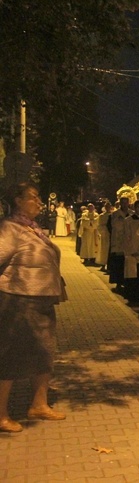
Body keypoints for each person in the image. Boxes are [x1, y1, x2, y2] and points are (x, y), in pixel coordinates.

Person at [0, 183, 66, 433]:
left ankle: (39, 404)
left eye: (39, 197)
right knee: (10, 355)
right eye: (33, 198)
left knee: (44, 353)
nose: (38, 202)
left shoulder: (33, 229)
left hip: (42, 299)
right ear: (17, 201)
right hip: (17, 299)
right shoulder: (10, 228)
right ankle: (1, 414)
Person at [108, 196, 131, 291]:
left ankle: (127, 282)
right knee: (118, 264)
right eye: (123, 202)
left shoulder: (132, 214)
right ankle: (118, 282)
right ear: (120, 203)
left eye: (126, 202)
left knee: (128, 264)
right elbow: (110, 226)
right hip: (118, 242)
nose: (124, 204)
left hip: (129, 242)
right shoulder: (115, 214)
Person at [96, 203, 113, 270]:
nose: (108, 208)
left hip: (111, 234)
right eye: (106, 206)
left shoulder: (113, 215)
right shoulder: (102, 216)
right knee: (103, 250)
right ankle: (103, 264)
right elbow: (99, 225)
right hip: (104, 234)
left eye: (109, 206)